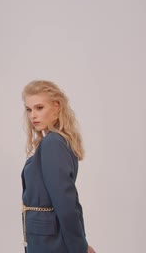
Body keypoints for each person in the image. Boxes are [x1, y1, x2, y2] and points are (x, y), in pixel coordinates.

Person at [20, 80, 96, 253]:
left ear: (56, 107)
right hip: (44, 236)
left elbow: (65, 200)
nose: (33, 115)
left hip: (50, 241)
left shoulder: (52, 143)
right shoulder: (52, 142)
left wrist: (80, 247)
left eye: (39, 108)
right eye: (29, 109)